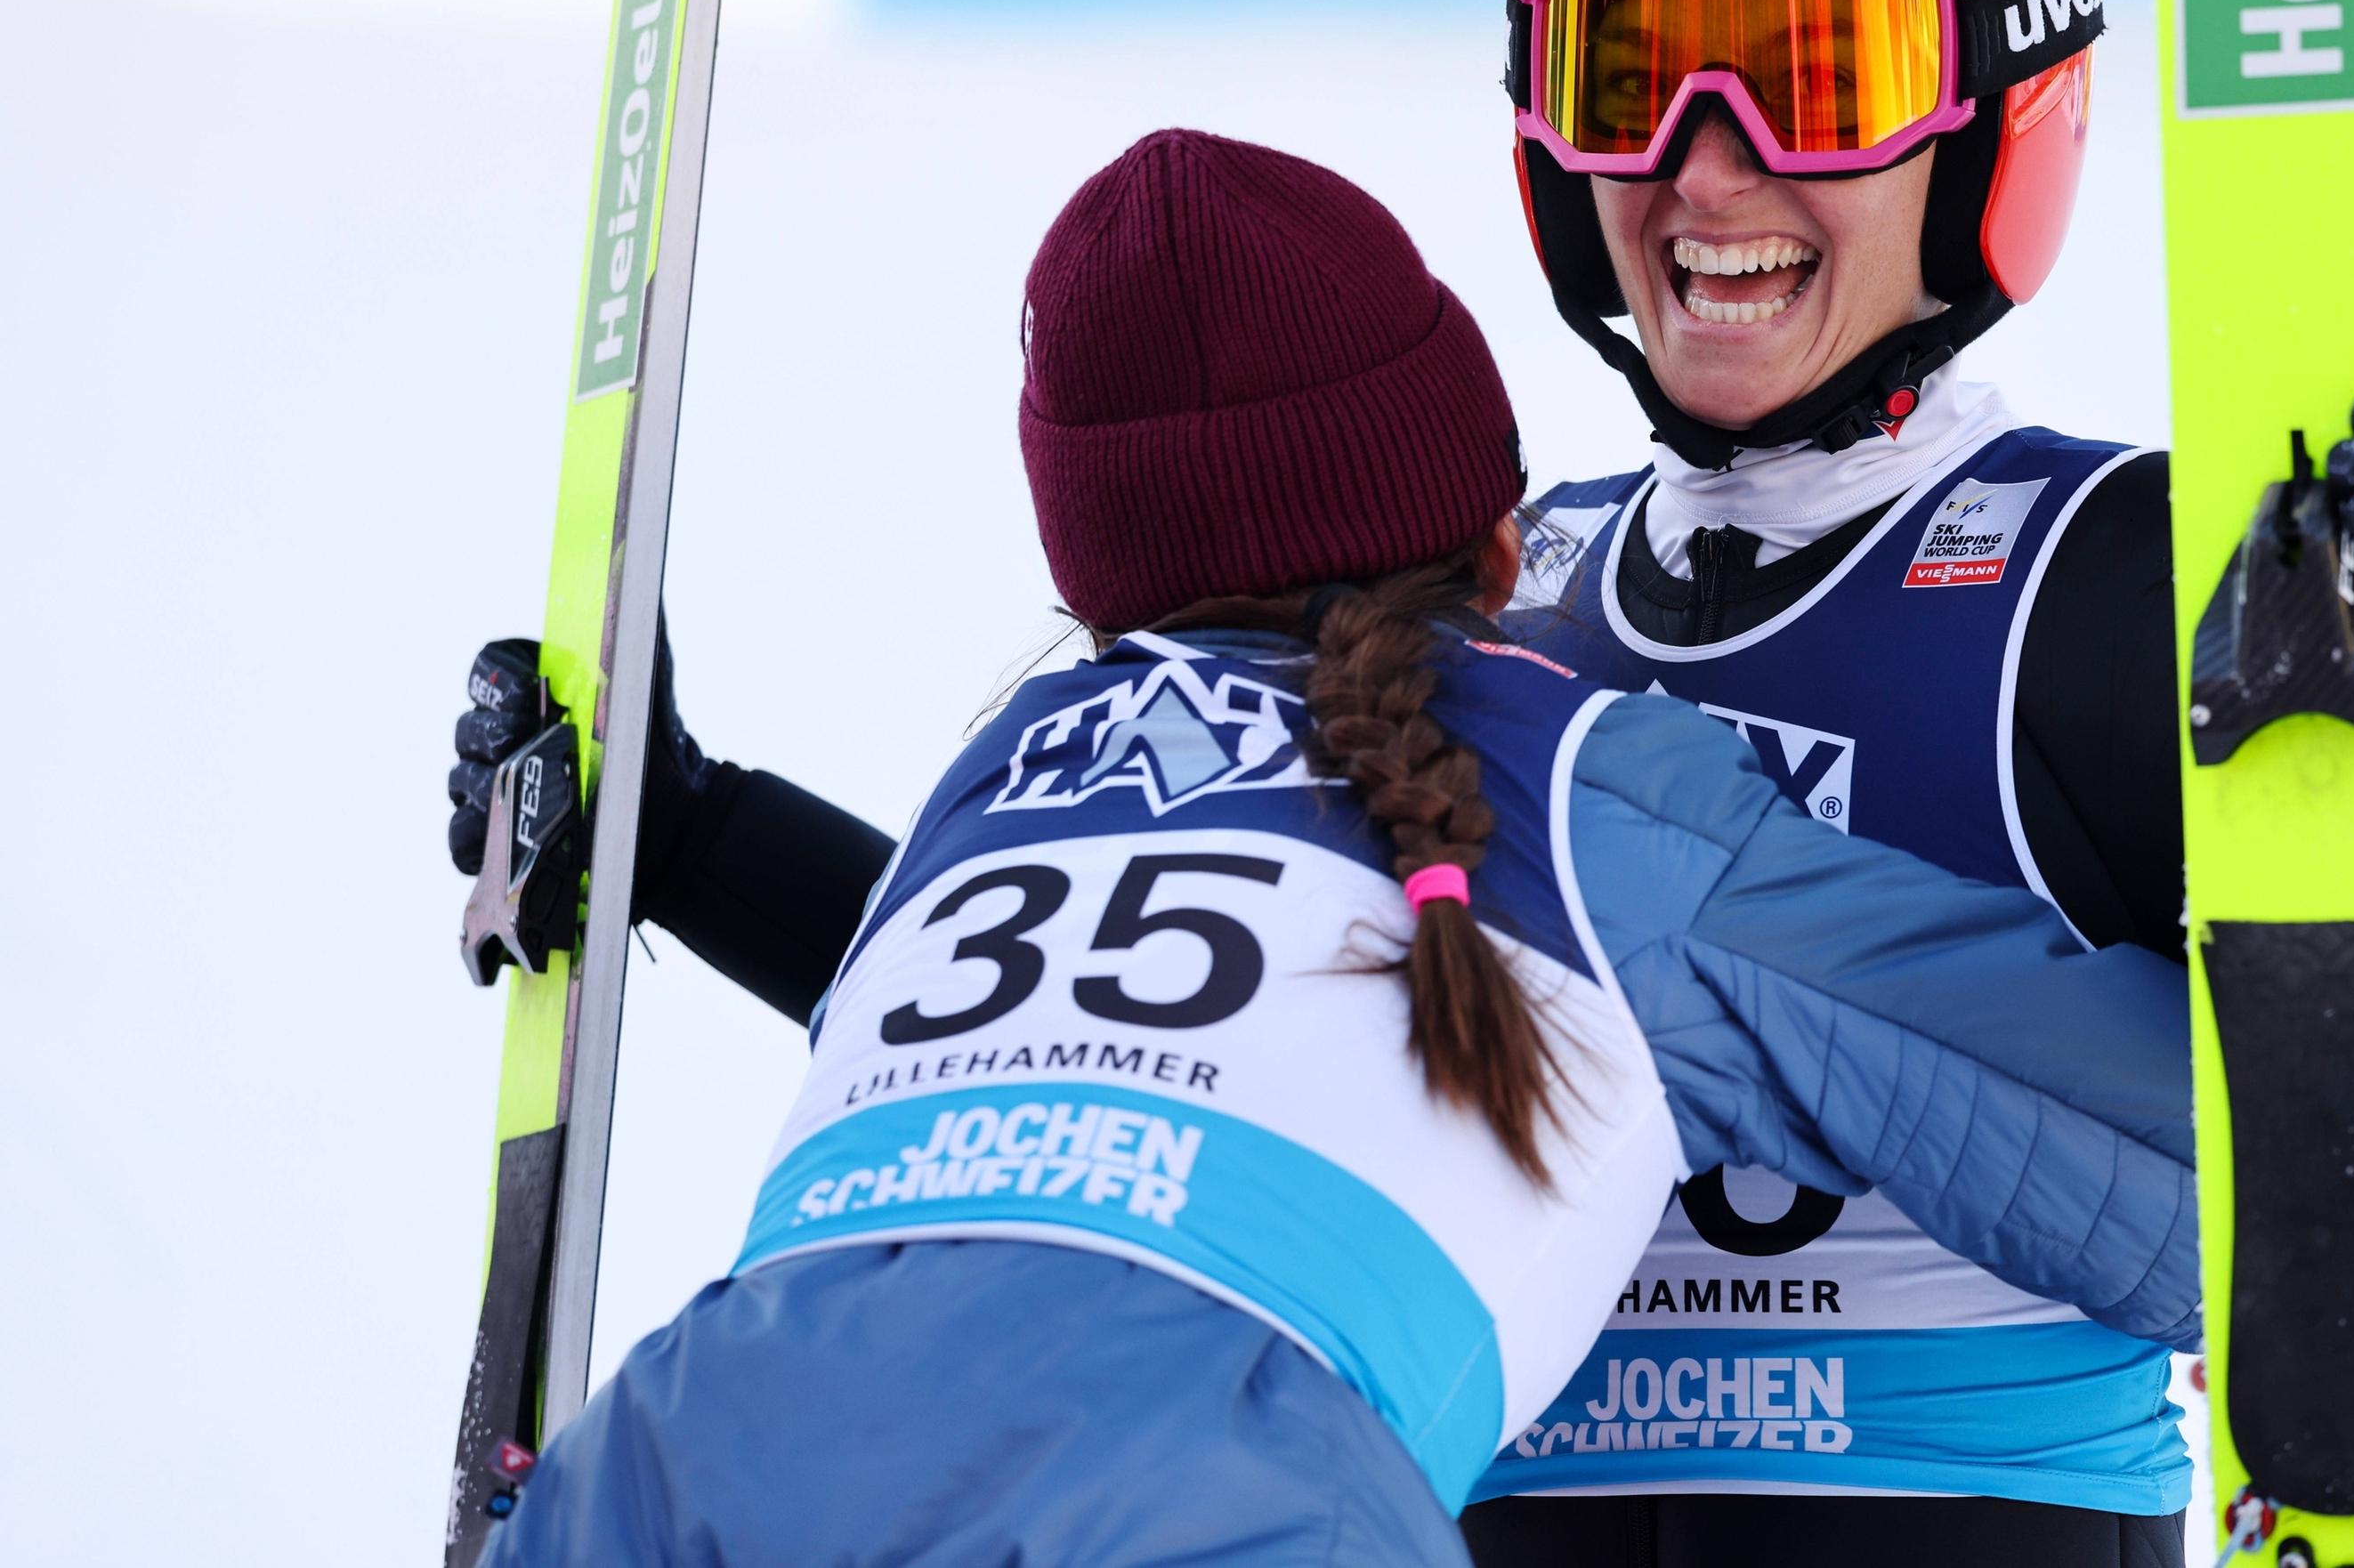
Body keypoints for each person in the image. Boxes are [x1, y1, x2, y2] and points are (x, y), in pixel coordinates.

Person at [444, 0, 2354, 1567]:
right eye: (1630, 67)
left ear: (1991, 104)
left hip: (1950, 1516)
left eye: (1811, 71)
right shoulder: (1479, 591)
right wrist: (693, 833)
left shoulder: (2089, 565)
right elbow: (1140, 1050)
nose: (1702, 163)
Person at [470, 130, 2202, 1568]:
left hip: (675, 1462)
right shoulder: (1597, 793)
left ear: (1093, 572)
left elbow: (1084, 1089)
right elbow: (2192, 1184)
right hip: (1214, 1508)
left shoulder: (1003, 768)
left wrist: (679, 835)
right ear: (1501, 542)